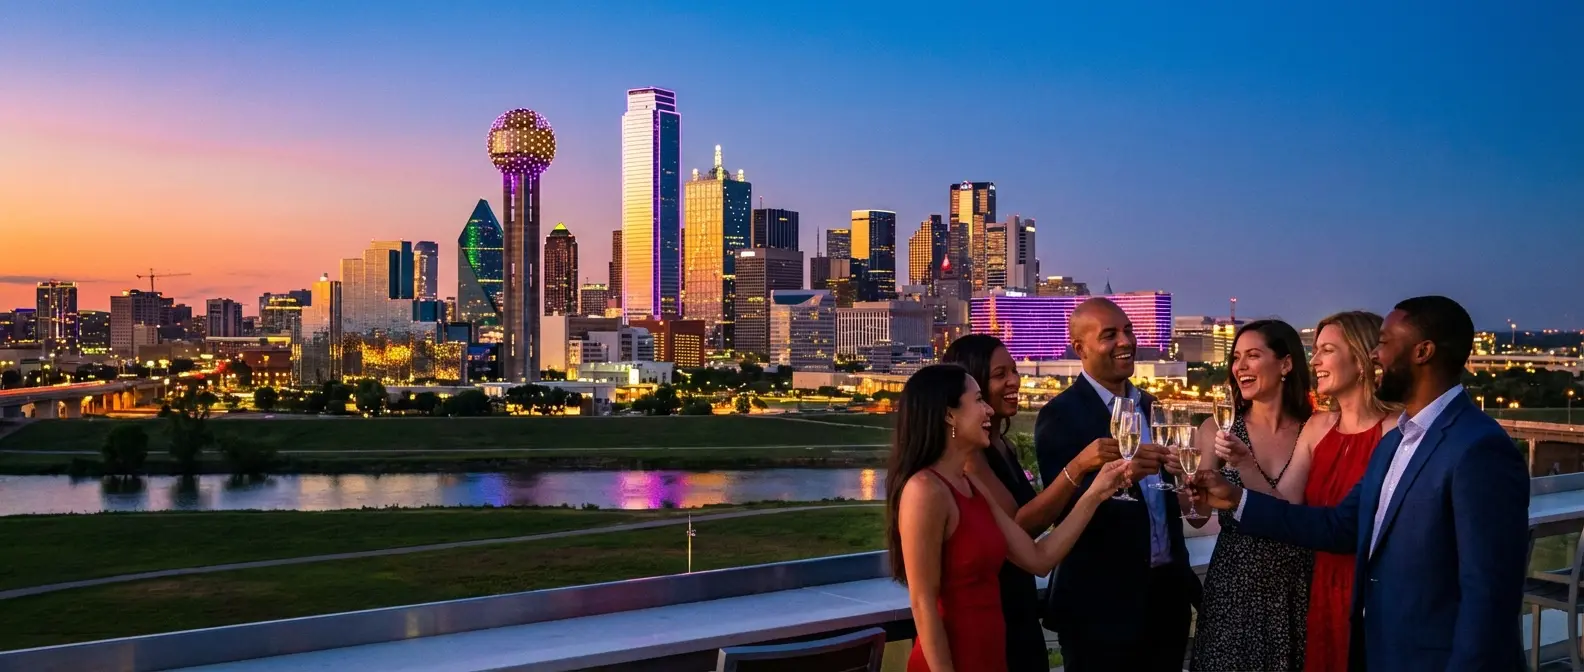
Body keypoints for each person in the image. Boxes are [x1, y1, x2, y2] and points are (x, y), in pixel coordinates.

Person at [1190, 296, 1529, 671]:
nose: (1375, 356)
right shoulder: (1396, 443)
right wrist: (1236, 497)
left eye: (1383, 344)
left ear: (1423, 352)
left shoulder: (1479, 448)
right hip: (1372, 642)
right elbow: (1338, 527)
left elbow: (1490, 597)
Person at [889, 363, 1127, 672]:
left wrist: (1096, 491)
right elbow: (923, 604)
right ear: (949, 414)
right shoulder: (924, 490)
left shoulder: (972, 486)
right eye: (978, 400)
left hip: (992, 656)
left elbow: (1040, 559)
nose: (988, 410)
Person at [1033, 298, 1198, 671]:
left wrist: (1183, 479)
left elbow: (1165, 505)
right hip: (1100, 609)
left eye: (1128, 331)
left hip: (1166, 603)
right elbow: (1063, 510)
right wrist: (1117, 481)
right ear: (1081, 349)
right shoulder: (1059, 416)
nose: (1125, 341)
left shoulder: (1151, 406)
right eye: (1110, 335)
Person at [944, 335, 1114, 672]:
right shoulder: (966, 461)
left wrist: (1098, 486)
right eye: (999, 375)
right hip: (995, 612)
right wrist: (1078, 468)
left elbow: (1035, 548)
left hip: (1018, 606)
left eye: (1014, 370)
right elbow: (1020, 526)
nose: (1014, 381)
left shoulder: (1001, 446)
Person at [1183, 319, 1315, 671]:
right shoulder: (1215, 428)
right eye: (1236, 357)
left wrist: (1243, 468)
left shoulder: (1313, 429)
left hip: (1299, 584)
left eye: (1253, 356)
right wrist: (1188, 486)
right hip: (1235, 585)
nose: (1240, 366)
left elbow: (1293, 511)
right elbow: (1196, 516)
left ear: (1286, 364)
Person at [1297, 311, 1399, 672]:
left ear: (1360, 360)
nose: (1315, 360)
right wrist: (1240, 468)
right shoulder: (1317, 426)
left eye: (1326, 350)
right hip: (1321, 584)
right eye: (1315, 350)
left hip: (1370, 591)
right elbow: (1285, 504)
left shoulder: (1396, 432)